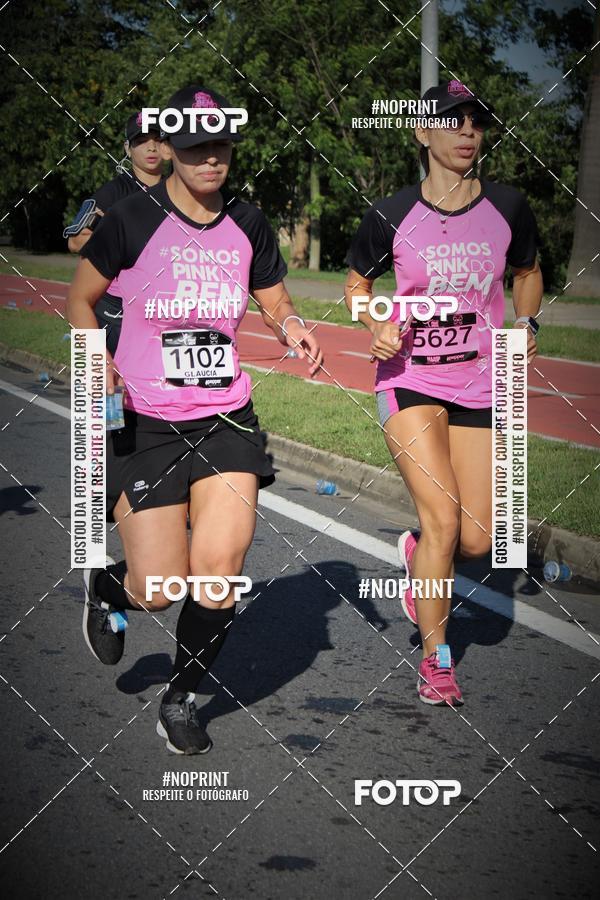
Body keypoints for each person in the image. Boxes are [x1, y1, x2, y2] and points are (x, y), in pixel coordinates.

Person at [66, 84, 323, 754]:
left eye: (221, 145)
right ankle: (107, 587)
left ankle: (180, 698)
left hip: (225, 417)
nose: (212, 159)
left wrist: (291, 322)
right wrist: (98, 359)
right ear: (172, 151)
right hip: (146, 421)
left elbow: (271, 293)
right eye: (196, 147)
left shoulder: (247, 219)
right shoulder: (131, 218)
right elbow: (80, 300)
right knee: (159, 587)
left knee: (219, 569)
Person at [345, 80, 542, 707]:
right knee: (443, 522)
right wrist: (376, 320)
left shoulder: (508, 206)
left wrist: (526, 321)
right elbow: (355, 285)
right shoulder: (391, 213)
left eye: (477, 124)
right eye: (452, 122)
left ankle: (415, 557)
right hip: (409, 379)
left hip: (483, 381)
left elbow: (529, 272)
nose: (468, 133)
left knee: (481, 541)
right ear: (421, 132)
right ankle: (438, 661)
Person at [64, 112, 164, 354]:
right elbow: (75, 241)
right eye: (141, 141)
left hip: (160, 308)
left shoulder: (181, 192)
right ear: (127, 148)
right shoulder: (112, 193)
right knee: (92, 382)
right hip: (107, 306)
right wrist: (123, 243)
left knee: (151, 387)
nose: (151, 147)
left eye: (158, 139)